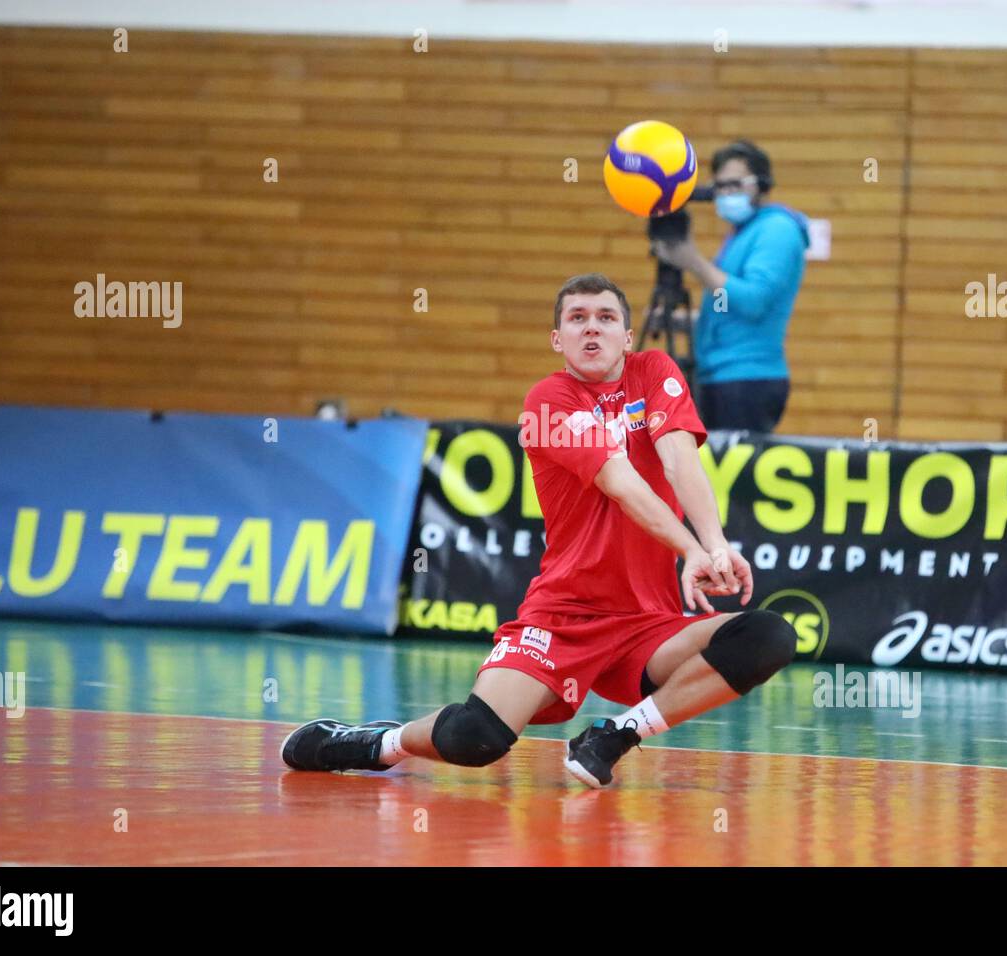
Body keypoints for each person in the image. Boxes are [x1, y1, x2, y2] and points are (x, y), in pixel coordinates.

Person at [281, 272, 797, 788]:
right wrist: (689, 549)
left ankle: (613, 737)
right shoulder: (549, 400)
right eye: (577, 319)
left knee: (766, 635)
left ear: (628, 336)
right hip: (565, 617)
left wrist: (715, 545)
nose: (591, 330)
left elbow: (679, 458)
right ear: (558, 340)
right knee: (475, 736)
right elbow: (620, 482)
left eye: (606, 318)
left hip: (647, 622)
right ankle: (377, 743)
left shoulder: (654, 372)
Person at [652, 139, 810, 434]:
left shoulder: (777, 230)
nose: (726, 194)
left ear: (762, 184)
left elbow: (753, 302)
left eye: (736, 184)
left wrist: (694, 262)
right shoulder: (742, 233)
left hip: (747, 379)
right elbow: (727, 303)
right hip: (723, 375)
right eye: (720, 187)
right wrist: (688, 321)